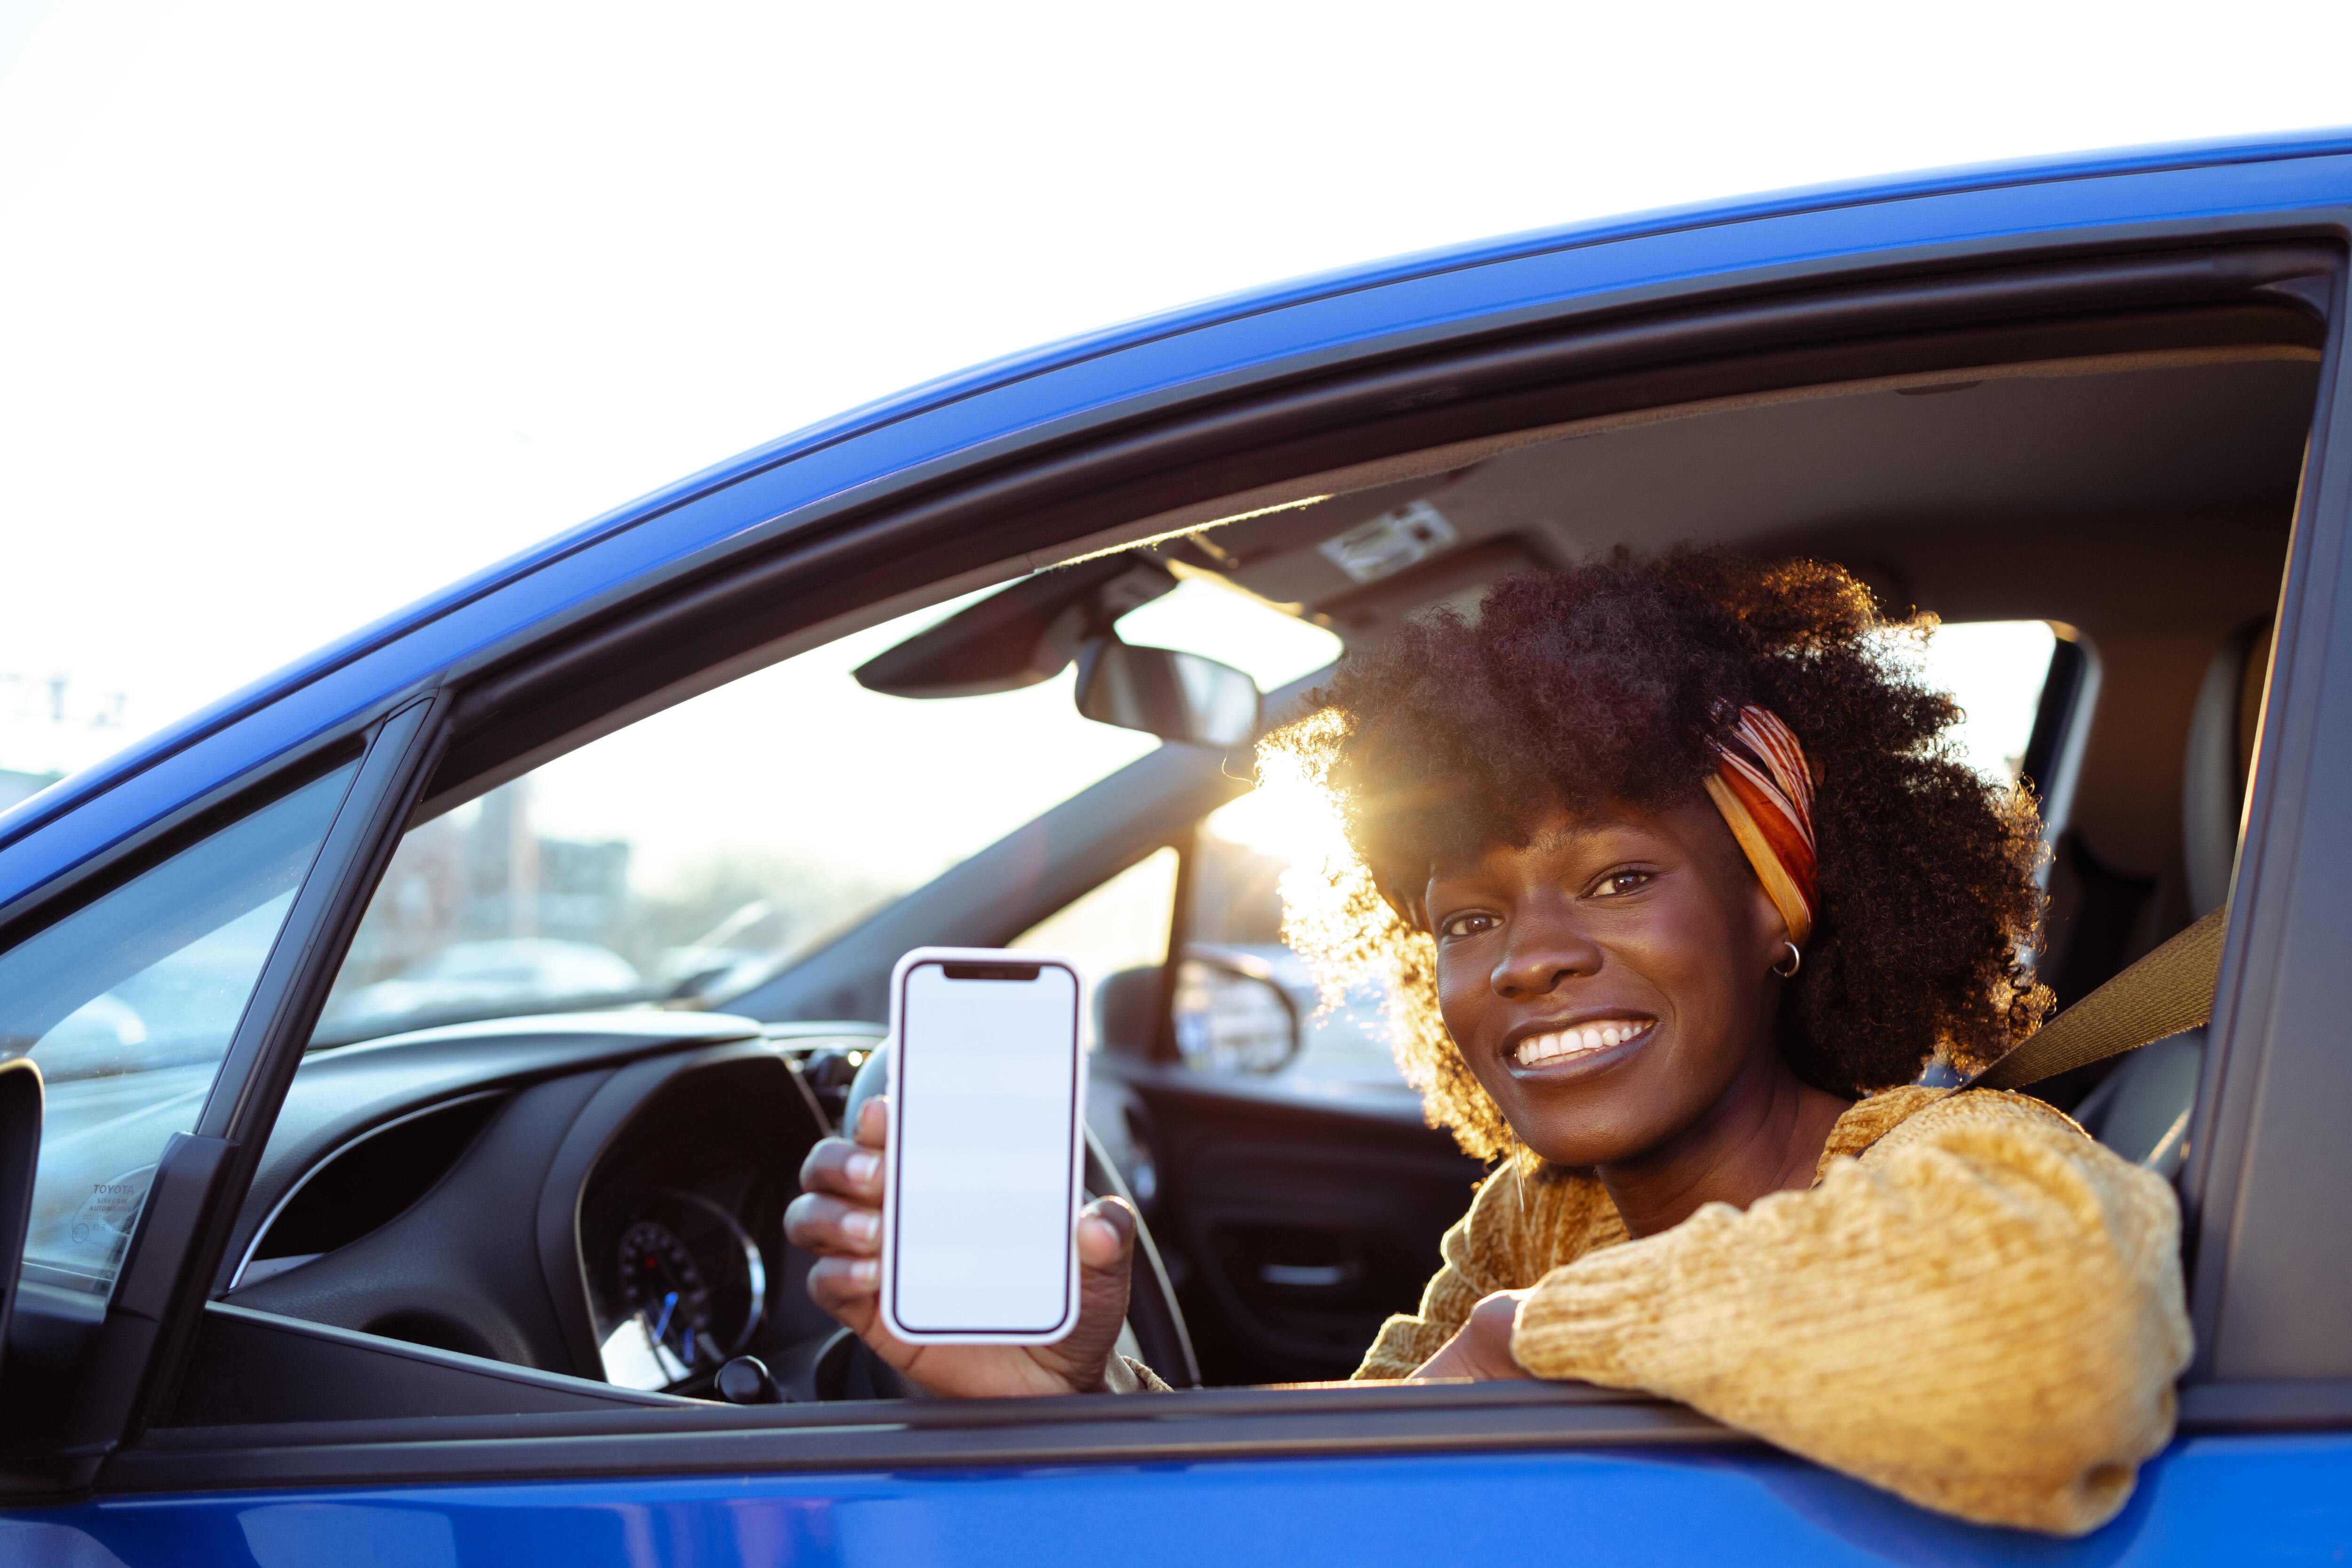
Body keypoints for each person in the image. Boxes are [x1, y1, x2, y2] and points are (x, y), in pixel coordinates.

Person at [786, 549, 2190, 1536]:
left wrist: (1535, 1346)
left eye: (1622, 879)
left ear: (1783, 914)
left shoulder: (1962, 1154)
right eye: (1466, 921)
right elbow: (1345, 1502)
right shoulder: (1540, 1219)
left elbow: (2052, 1366)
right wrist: (1087, 1393)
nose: (1527, 959)